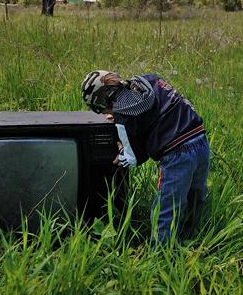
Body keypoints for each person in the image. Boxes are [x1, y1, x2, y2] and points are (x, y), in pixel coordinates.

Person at [80, 70, 209, 244]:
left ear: (102, 102)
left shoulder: (123, 116)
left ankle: (162, 253)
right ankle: (194, 237)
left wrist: (121, 152)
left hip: (176, 154)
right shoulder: (149, 80)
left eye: (102, 110)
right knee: (195, 195)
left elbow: (134, 158)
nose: (106, 114)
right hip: (199, 138)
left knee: (167, 208)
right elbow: (154, 109)